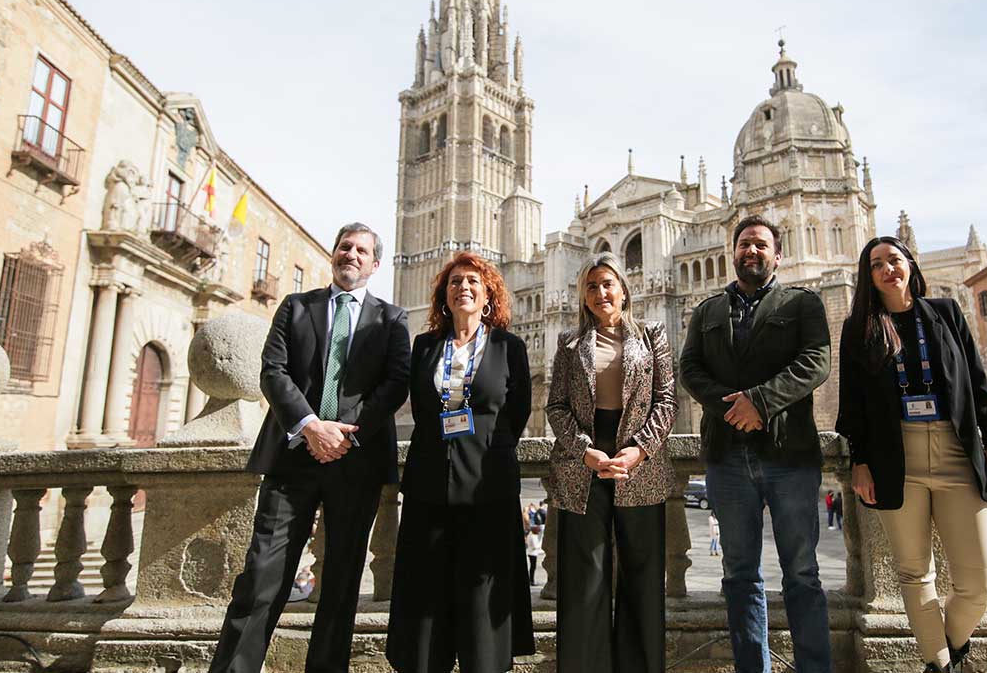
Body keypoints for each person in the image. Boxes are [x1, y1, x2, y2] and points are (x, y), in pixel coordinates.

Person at [209, 222, 410, 673]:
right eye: (345, 247)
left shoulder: (392, 318)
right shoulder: (296, 307)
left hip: (354, 461)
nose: (351, 255)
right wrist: (311, 426)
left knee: (340, 583)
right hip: (292, 457)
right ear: (334, 254)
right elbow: (272, 371)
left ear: (375, 264)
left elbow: (396, 383)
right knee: (262, 574)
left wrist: (344, 432)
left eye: (362, 250)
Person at [836, 236, 987, 673]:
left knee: (978, 583)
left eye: (894, 260)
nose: (887, 269)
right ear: (868, 276)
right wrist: (859, 461)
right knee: (915, 573)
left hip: (955, 451)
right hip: (896, 455)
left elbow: (976, 378)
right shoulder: (859, 329)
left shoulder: (945, 314)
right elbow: (853, 402)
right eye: (876, 264)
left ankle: (944, 653)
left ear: (910, 265)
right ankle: (939, 663)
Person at [680, 215, 833, 673]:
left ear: (777, 254)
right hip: (728, 459)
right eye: (744, 244)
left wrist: (760, 403)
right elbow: (690, 369)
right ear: (734, 252)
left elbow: (817, 362)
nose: (752, 251)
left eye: (761, 244)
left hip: (790, 455)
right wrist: (733, 407)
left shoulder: (803, 302)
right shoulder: (707, 311)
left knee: (802, 573)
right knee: (739, 574)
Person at [386, 251, 535, 673]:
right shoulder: (426, 346)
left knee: (482, 593)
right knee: (426, 589)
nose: (463, 288)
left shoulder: (509, 347)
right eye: (454, 282)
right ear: (443, 296)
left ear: (487, 294)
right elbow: (422, 408)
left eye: (472, 281)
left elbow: (517, 412)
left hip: (487, 485)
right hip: (429, 482)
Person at [545, 252, 677, 673]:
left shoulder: (652, 335)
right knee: (586, 577)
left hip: (639, 461)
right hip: (583, 465)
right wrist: (585, 450)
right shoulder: (569, 344)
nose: (601, 293)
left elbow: (667, 400)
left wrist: (639, 449)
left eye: (607, 284)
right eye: (591, 286)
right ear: (583, 297)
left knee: (642, 574)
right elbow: (557, 407)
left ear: (623, 289)